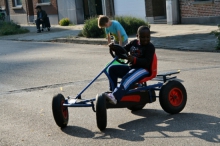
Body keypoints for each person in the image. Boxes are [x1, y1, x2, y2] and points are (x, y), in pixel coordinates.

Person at [104, 26, 155, 104]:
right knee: (112, 69)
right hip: (132, 68)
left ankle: (115, 96)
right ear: (137, 36)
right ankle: (113, 91)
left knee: (128, 78)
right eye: (143, 37)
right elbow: (122, 51)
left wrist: (134, 59)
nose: (146, 39)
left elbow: (147, 62)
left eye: (148, 37)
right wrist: (114, 48)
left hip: (143, 69)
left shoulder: (150, 47)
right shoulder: (133, 43)